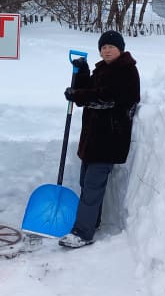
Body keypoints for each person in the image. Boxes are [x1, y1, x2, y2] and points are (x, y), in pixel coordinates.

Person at [59, 30, 141, 249]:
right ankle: (91, 222)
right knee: (86, 183)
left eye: (111, 47)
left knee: (93, 187)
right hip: (93, 139)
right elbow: (90, 91)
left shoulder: (126, 71)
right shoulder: (102, 69)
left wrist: (79, 96)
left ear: (120, 49)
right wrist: (82, 72)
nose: (106, 51)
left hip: (109, 139)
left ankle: (83, 233)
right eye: (103, 47)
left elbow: (107, 98)